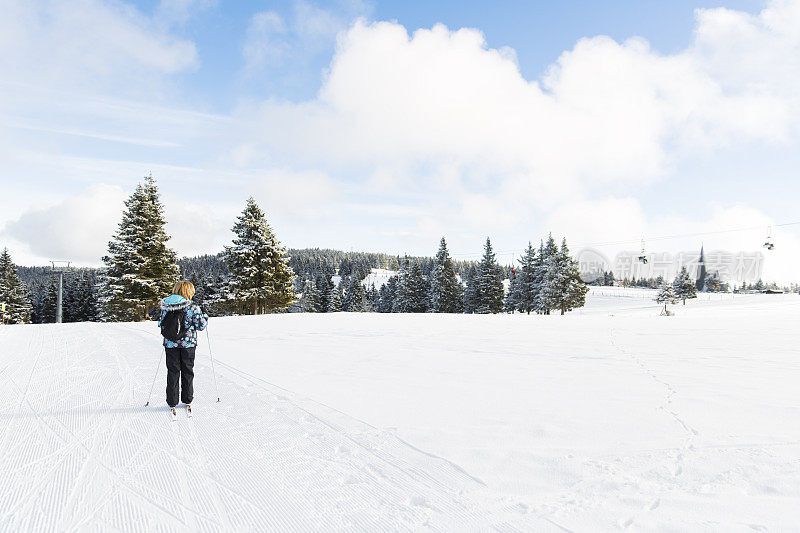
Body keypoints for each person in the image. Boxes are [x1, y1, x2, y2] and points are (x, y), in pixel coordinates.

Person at [158, 281, 208, 411]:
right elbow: (201, 326)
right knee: (187, 371)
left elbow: (160, 323)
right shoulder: (192, 307)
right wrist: (205, 315)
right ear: (188, 291)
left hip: (170, 344)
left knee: (173, 371)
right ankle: (187, 398)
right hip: (188, 344)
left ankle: (172, 400)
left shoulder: (165, 306)